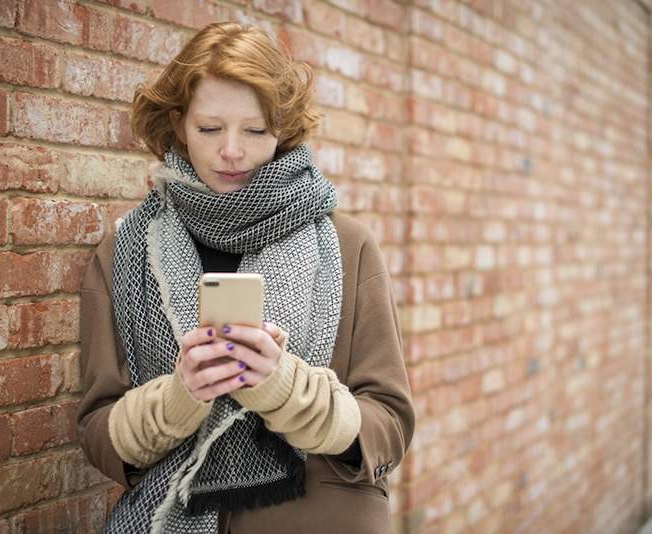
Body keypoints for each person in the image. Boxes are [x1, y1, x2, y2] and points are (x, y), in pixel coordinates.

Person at [76, 21, 414, 534]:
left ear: (281, 129)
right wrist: (180, 396)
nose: (231, 151)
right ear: (179, 122)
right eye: (210, 129)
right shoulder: (125, 252)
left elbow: (389, 425)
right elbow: (100, 436)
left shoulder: (348, 246)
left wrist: (285, 390)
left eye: (254, 130)